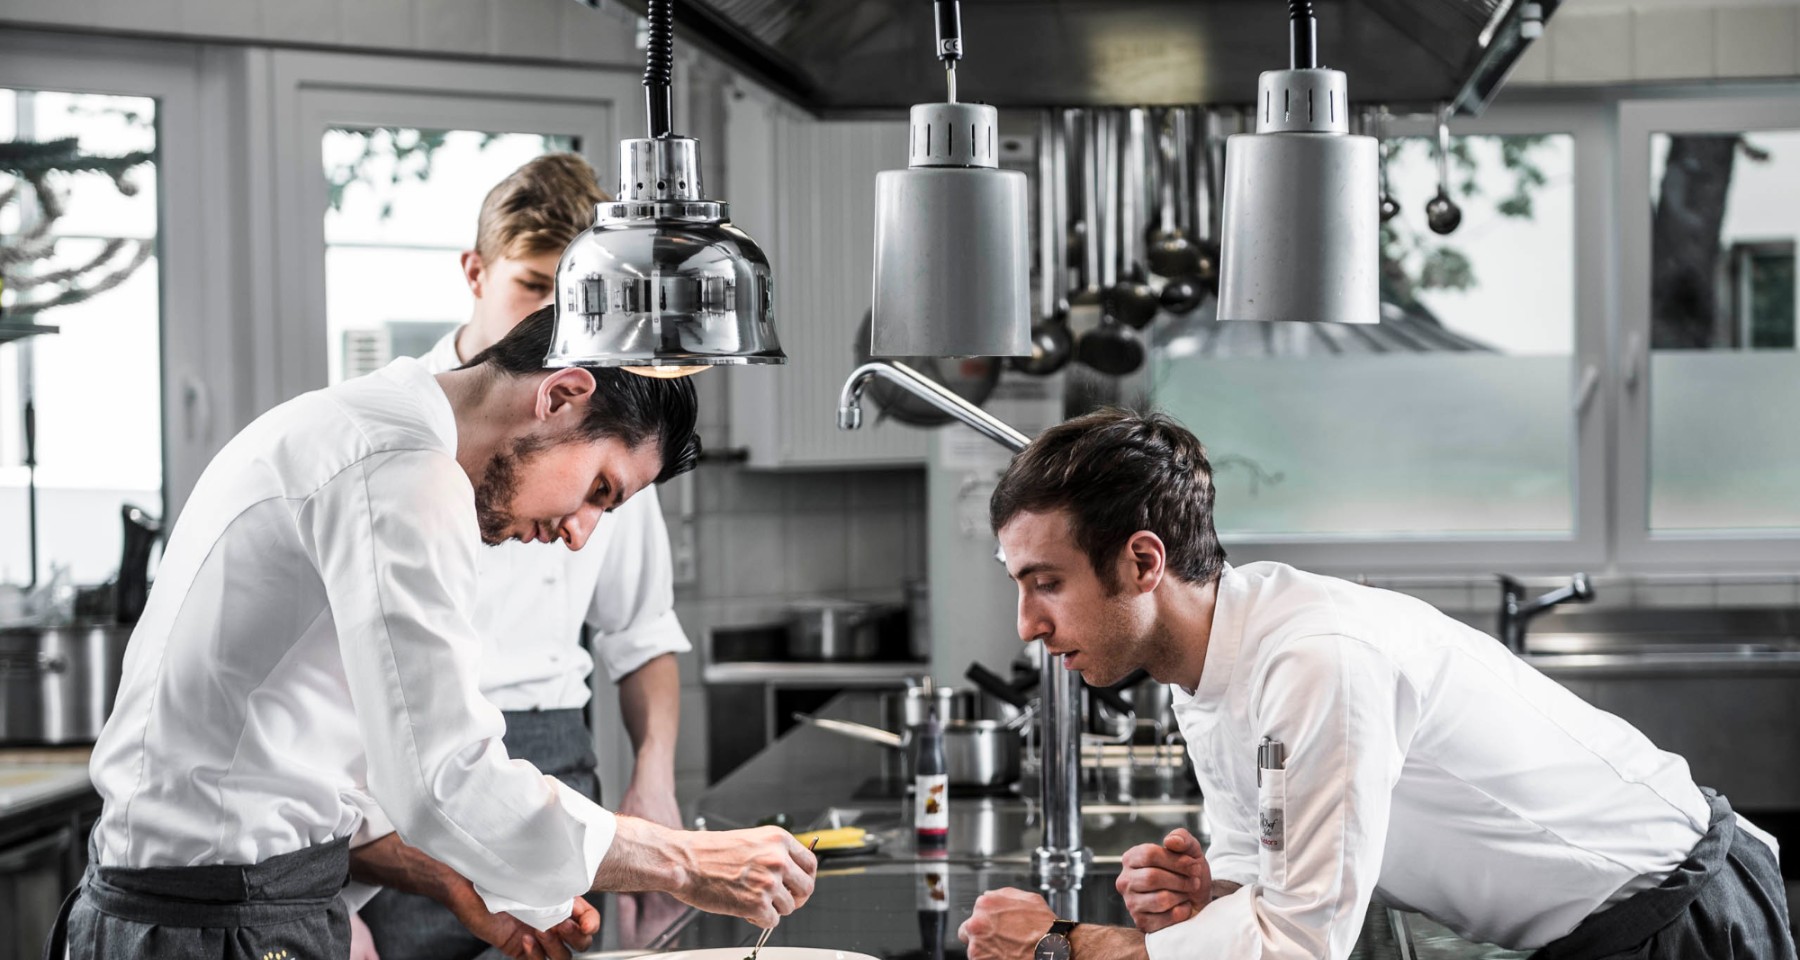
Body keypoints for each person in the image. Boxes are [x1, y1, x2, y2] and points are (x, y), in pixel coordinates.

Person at [60, 308, 817, 960]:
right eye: (599, 490)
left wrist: (459, 877)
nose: (581, 534)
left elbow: (303, 747)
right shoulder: (402, 474)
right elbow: (446, 782)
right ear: (560, 395)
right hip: (214, 925)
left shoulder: (361, 424)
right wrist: (687, 861)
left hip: (209, 908)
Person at [958, 410, 1794, 960]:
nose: (1027, 624)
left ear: (1144, 561)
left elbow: (1297, 945)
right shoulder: (1204, 667)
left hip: (1675, 912)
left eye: (1046, 583)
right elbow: (1266, 867)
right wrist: (1211, 894)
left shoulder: (1316, 656)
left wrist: (1062, 944)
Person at [353, 151, 695, 960]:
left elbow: (640, 633)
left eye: (576, 296)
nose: (555, 317)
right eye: (536, 286)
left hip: (553, 758)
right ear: (475, 272)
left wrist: (654, 784)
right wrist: (338, 894)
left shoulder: (606, 440)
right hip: (393, 796)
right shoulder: (392, 440)